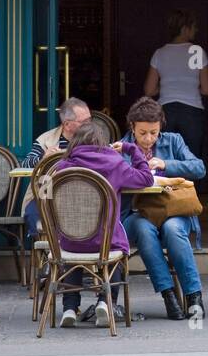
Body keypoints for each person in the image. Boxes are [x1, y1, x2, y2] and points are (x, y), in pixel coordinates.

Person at [52, 119, 154, 328]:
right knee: (117, 247)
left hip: (71, 241)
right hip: (105, 242)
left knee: (74, 249)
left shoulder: (62, 166)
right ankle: (105, 302)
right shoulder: (115, 165)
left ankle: (70, 308)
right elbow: (146, 179)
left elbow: (45, 194)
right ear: (104, 144)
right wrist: (131, 149)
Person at [115, 97, 207, 321]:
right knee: (145, 231)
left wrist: (166, 164)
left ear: (160, 127)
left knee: (174, 230)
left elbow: (199, 168)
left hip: (172, 209)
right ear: (132, 128)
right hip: (136, 213)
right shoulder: (121, 147)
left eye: (154, 133)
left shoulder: (174, 141)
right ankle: (169, 296)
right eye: (143, 133)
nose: (148, 139)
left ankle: (194, 297)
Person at [144, 9, 208, 178]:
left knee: (162, 157)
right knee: (191, 160)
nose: (196, 30)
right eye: (193, 27)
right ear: (184, 29)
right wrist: (187, 86)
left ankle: (165, 198)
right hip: (192, 111)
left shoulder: (160, 53)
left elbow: (149, 90)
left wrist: (167, 86)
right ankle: (188, 199)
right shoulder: (196, 51)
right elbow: (207, 89)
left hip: (165, 111)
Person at [21, 97, 92, 239]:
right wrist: (42, 159)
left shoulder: (95, 138)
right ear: (67, 124)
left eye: (90, 119)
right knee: (33, 213)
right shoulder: (46, 140)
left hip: (84, 194)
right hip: (48, 193)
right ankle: (46, 255)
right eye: (84, 122)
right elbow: (25, 164)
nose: (89, 125)